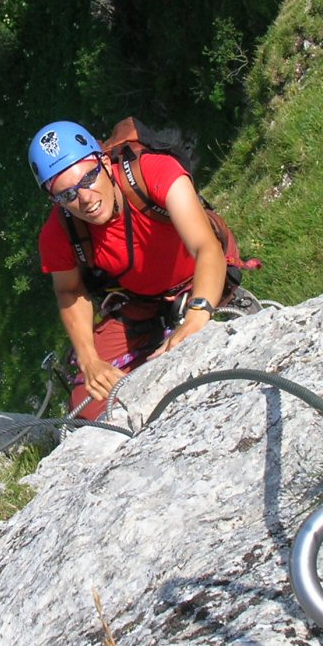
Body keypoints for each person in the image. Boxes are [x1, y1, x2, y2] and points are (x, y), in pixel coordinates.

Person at [29, 119, 251, 420]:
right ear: (54, 200)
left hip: (198, 272)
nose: (84, 198)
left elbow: (205, 247)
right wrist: (89, 359)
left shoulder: (153, 172)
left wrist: (197, 315)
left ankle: (223, 301)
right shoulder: (59, 232)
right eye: (66, 195)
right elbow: (69, 290)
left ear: (104, 162)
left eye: (89, 178)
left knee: (211, 350)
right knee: (87, 401)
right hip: (142, 297)